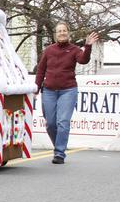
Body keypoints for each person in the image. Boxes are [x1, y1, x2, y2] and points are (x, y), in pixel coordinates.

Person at [34, 24, 97, 164]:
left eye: (64, 31)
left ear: (68, 33)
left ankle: (59, 153)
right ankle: (59, 145)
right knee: (50, 123)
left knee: (63, 122)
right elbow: (40, 70)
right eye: (59, 31)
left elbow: (83, 60)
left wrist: (88, 46)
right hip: (49, 90)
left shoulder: (74, 50)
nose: (62, 33)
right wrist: (36, 88)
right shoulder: (48, 50)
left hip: (68, 90)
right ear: (55, 34)